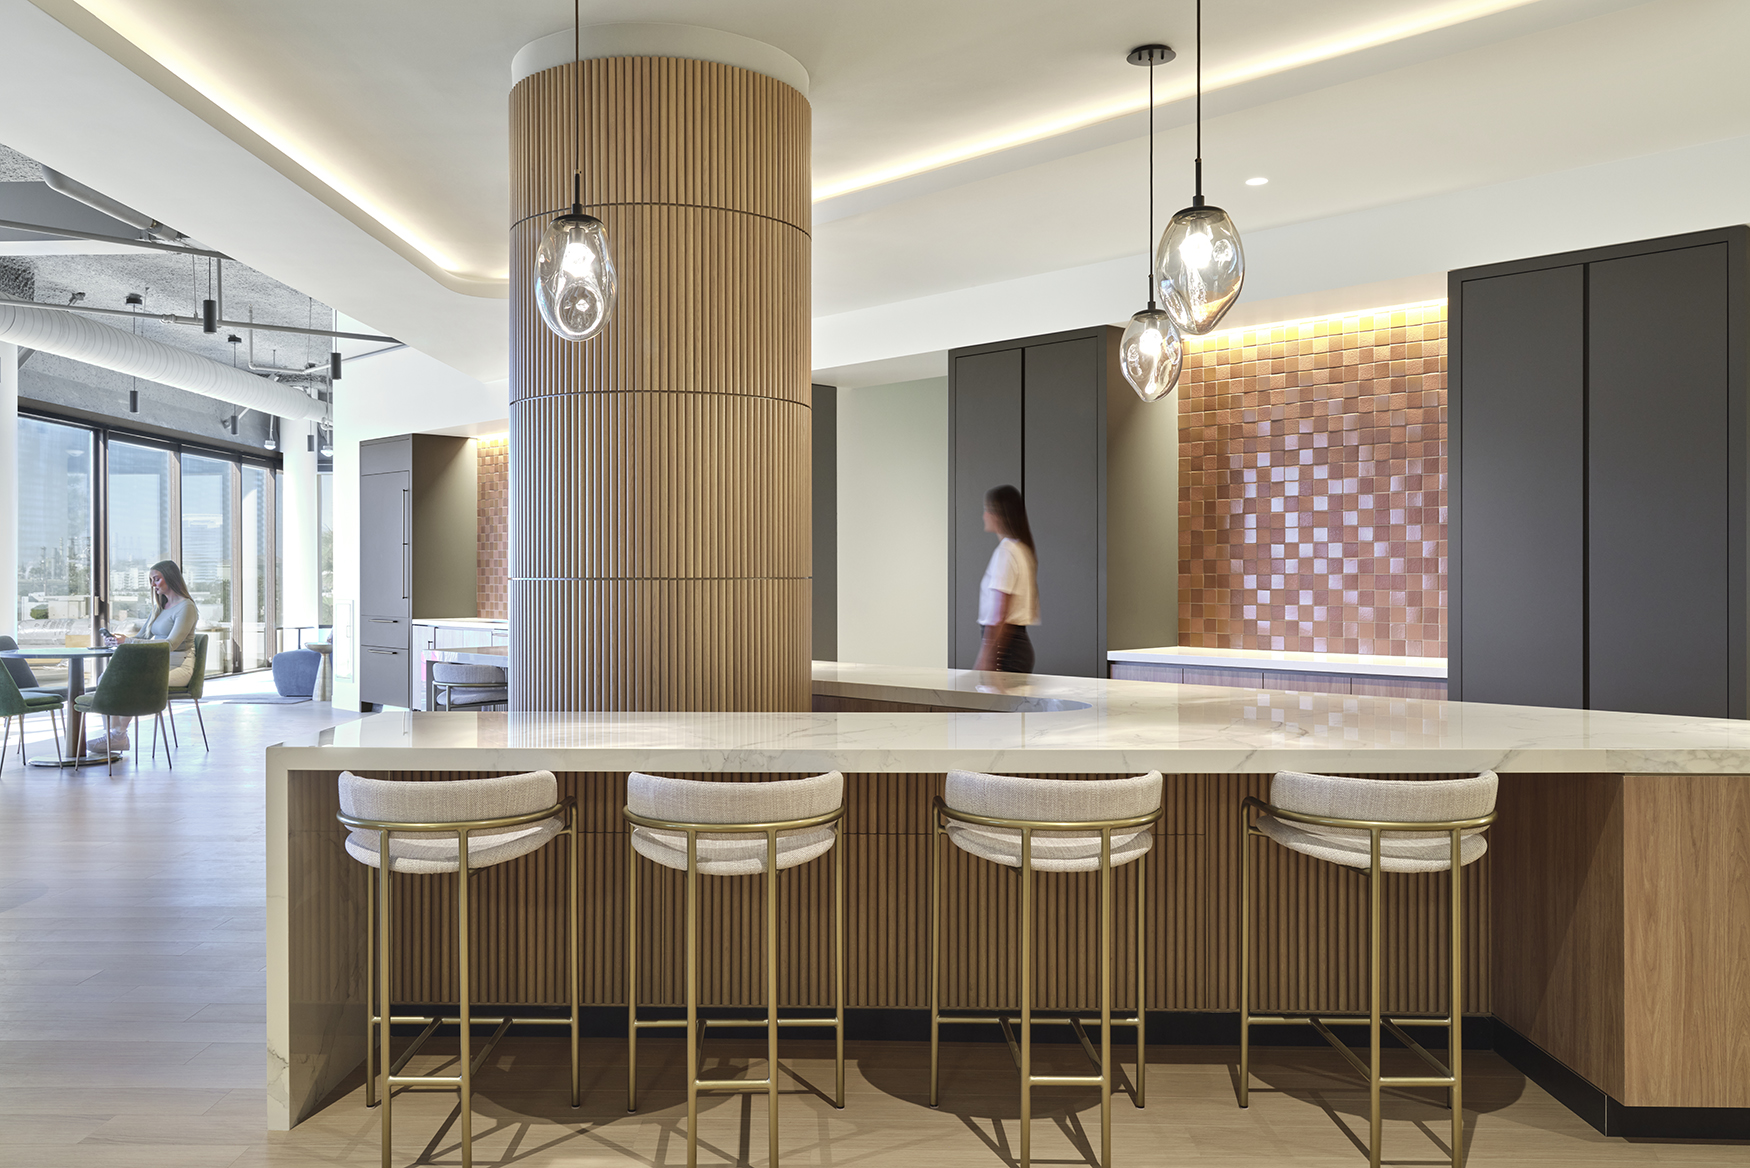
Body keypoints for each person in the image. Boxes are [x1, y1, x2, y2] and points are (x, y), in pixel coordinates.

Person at [95, 560, 197, 752]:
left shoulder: (186, 607)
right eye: (151, 580)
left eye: (156, 579)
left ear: (171, 578)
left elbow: (170, 645)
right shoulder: (160, 607)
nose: (152, 585)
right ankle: (112, 735)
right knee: (105, 680)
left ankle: (118, 735)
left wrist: (128, 642)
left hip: (178, 667)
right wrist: (119, 640)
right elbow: (142, 637)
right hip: (153, 665)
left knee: (135, 683)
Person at [974, 485, 1039, 674]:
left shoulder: (1007, 552)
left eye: (987, 510)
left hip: (1005, 652)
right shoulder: (1021, 550)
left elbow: (999, 614)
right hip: (1014, 650)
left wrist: (986, 657)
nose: (984, 515)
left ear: (998, 514)